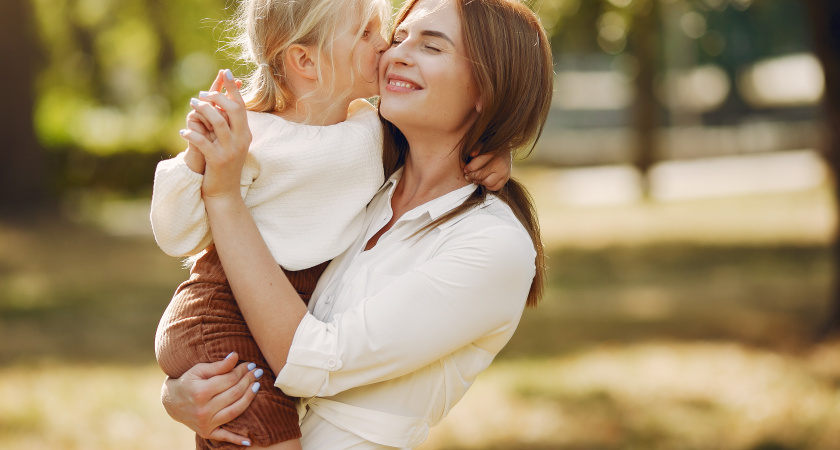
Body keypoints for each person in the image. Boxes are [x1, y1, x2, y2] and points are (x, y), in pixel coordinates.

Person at [163, 0, 552, 447]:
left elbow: (312, 361)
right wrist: (179, 393)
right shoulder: (356, 179)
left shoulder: (493, 245)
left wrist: (224, 195)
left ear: (488, 87)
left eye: (432, 46)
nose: (396, 52)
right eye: (399, 36)